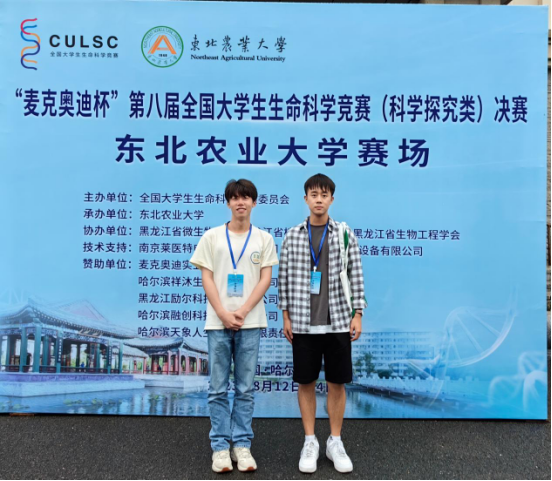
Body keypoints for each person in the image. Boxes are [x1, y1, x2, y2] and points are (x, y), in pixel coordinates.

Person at [278, 173, 367, 474]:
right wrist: (286, 315)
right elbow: (283, 277)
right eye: (313, 194)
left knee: (336, 382)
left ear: (332, 199)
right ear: (305, 199)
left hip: (338, 320)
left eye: (324, 195)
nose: (319, 199)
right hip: (303, 322)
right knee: (305, 381)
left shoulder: (344, 233)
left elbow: (356, 273)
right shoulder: (293, 235)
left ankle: (335, 441)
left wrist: (357, 313)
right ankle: (310, 441)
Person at [191, 179, 278, 473]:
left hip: (250, 322)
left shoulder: (263, 238)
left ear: (254, 202)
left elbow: (265, 279)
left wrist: (241, 311)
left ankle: (242, 445)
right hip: (218, 323)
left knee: (245, 388)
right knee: (217, 388)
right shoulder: (212, 237)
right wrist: (222, 312)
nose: (241, 202)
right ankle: (219, 447)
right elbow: (206, 278)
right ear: (228, 202)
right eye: (235, 198)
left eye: (246, 197)